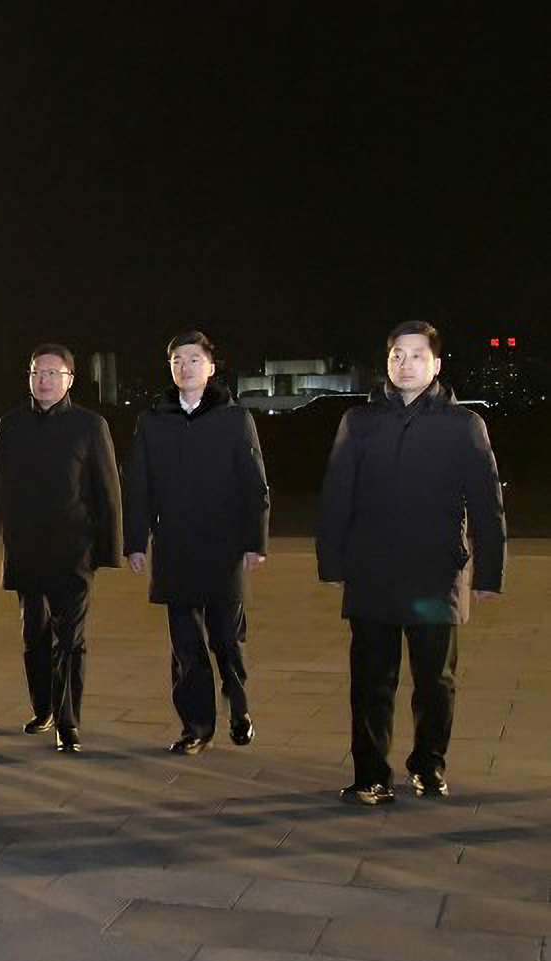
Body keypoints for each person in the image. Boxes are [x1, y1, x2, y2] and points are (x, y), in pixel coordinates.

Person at [316, 320, 505, 806]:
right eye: (397, 354)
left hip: (435, 575)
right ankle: (371, 776)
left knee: (435, 681)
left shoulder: (463, 426)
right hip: (373, 572)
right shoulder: (359, 422)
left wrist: (489, 573)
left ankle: (428, 766)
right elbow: (337, 495)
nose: (405, 363)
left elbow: (487, 505)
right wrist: (333, 563)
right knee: (371, 682)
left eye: (417, 355)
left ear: (436, 365)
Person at [124, 331, 269, 755]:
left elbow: (255, 486)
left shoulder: (234, 418)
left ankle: (238, 703)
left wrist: (254, 541)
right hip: (174, 546)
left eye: (193, 360)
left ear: (210, 367)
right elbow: (139, 485)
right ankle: (197, 725)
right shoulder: (152, 421)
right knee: (186, 644)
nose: (185, 368)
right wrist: (135, 542)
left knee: (225, 636)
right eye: (177, 361)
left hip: (223, 547)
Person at [0, 343, 122, 753]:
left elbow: (108, 490)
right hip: (25, 547)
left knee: (71, 638)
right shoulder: (10, 425)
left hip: (73, 549)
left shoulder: (88, 425)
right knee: (34, 634)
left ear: (69, 380)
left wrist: (109, 549)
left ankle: (69, 721)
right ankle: (43, 707)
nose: (43, 380)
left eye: (52, 373)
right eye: (36, 373)